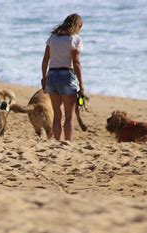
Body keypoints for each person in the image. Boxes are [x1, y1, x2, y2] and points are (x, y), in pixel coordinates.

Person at [41, 13, 85, 141]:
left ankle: (57, 142)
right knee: (69, 116)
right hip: (66, 76)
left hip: (52, 76)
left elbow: (45, 60)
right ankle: (67, 143)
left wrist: (44, 78)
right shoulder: (75, 39)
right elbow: (76, 63)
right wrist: (82, 85)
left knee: (57, 114)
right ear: (77, 25)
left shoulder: (53, 37)